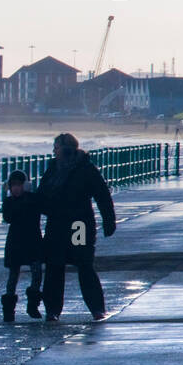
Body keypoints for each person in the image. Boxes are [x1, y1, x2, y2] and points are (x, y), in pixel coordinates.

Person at [36, 133, 116, 321]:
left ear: (65, 149)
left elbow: (102, 195)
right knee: (54, 266)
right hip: (56, 224)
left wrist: (109, 221)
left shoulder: (85, 168)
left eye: (56, 147)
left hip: (79, 225)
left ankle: (97, 308)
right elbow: (41, 195)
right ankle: (52, 311)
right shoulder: (53, 169)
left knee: (83, 263)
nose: (54, 151)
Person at [0, 170, 43, 322]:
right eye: (13, 186)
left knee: (37, 273)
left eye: (19, 185)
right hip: (15, 242)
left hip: (33, 240)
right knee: (13, 276)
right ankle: (9, 310)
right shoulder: (8, 202)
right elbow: (8, 217)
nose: (16, 188)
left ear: (25, 186)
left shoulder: (34, 199)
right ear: (9, 187)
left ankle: (33, 304)